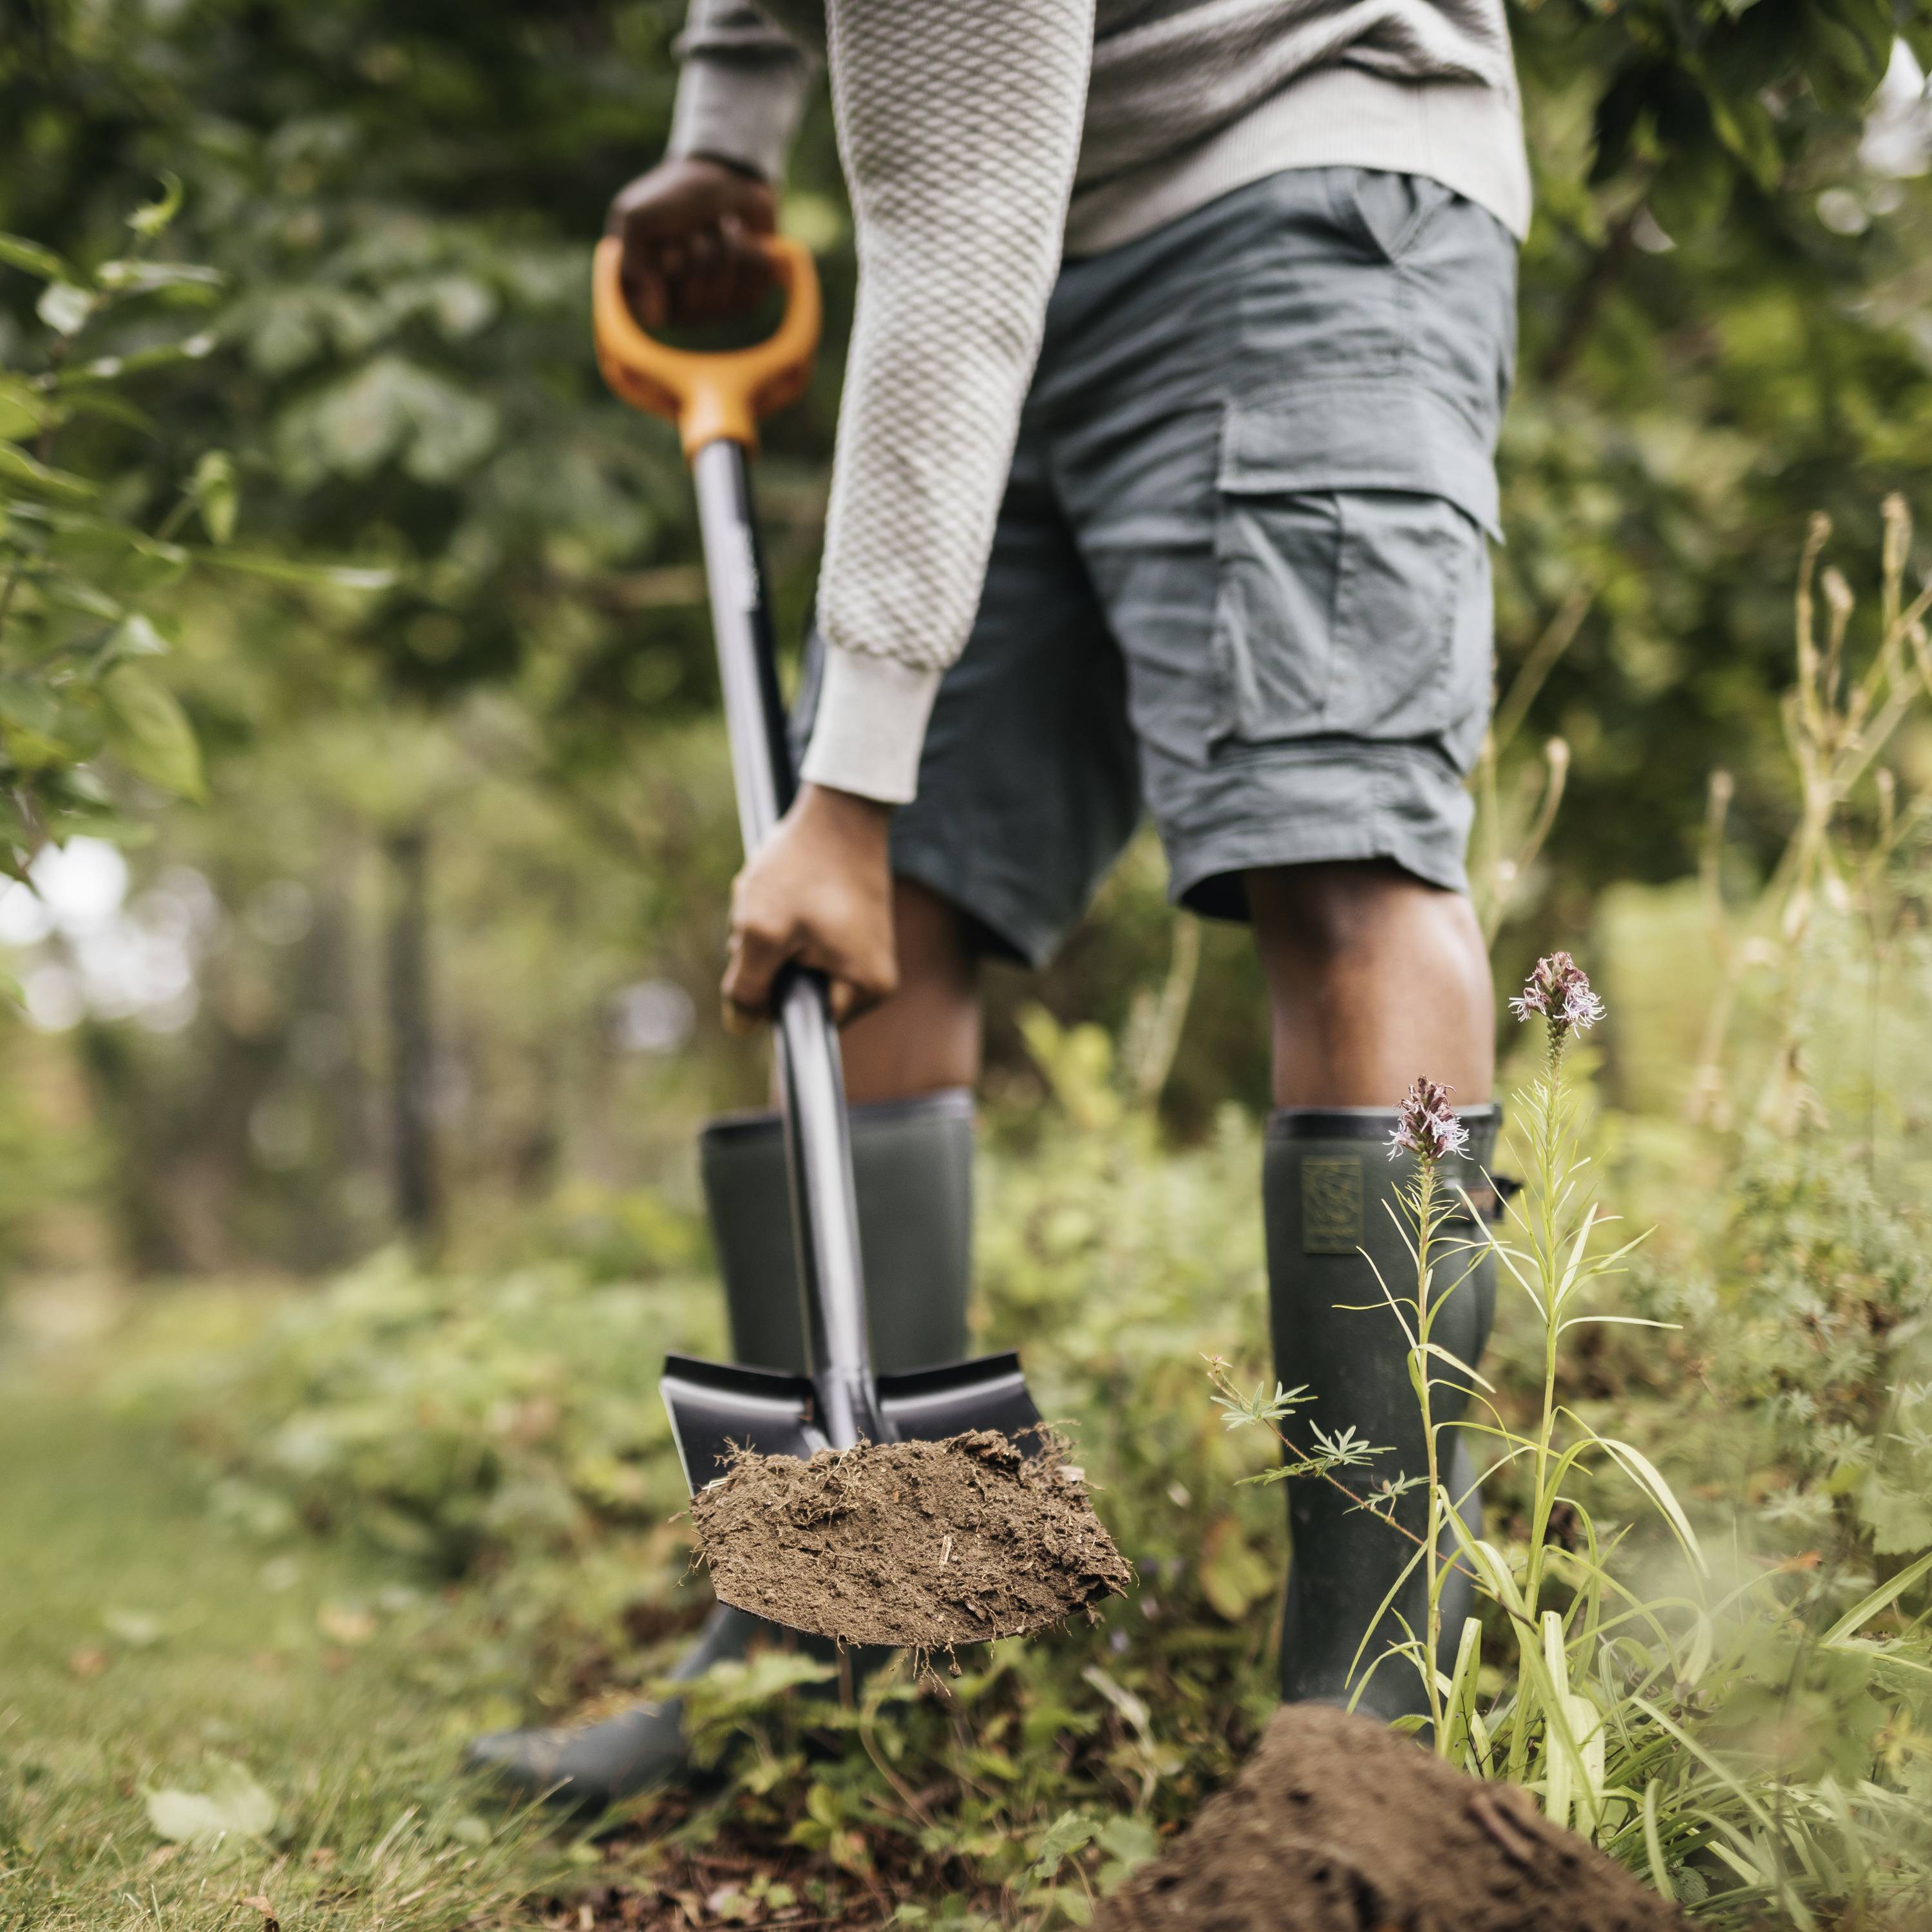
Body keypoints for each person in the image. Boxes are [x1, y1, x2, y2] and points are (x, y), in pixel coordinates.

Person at [470, 0, 1528, 1808]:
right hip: (1022, 245)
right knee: (891, 895)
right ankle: (837, 1643)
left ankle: (1373, 1739)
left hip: (1294, 170)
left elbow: (955, 208)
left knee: (1336, 849)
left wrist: (843, 781)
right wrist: (733, 112)